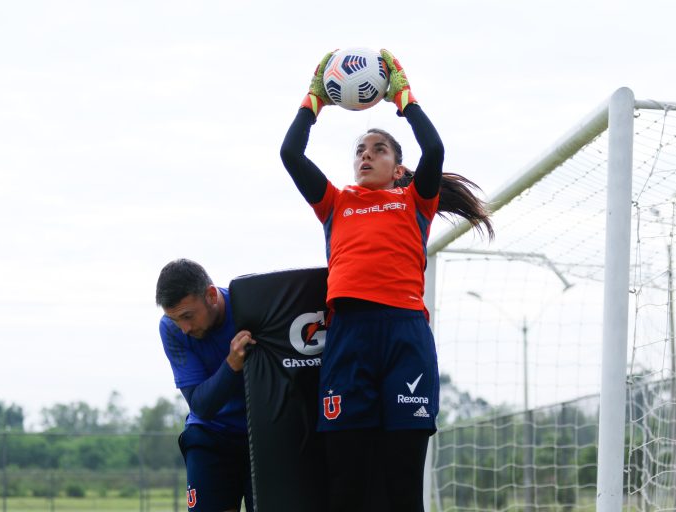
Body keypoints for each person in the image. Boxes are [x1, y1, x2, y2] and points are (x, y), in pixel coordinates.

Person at [280, 49, 493, 512]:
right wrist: (313, 101)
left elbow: (434, 150)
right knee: (347, 485)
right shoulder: (335, 203)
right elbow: (290, 153)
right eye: (360, 150)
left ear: (398, 168)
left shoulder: (414, 201)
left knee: (401, 487)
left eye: (378, 149)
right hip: (349, 338)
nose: (366, 155)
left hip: (404, 336)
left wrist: (404, 98)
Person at [155, 258, 256, 512]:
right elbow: (201, 405)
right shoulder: (171, 328)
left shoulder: (252, 306)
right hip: (210, 434)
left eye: (188, 316)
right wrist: (232, 364)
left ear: (211, 295)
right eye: (177, 319)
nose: (185, 328)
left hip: (262, 435)